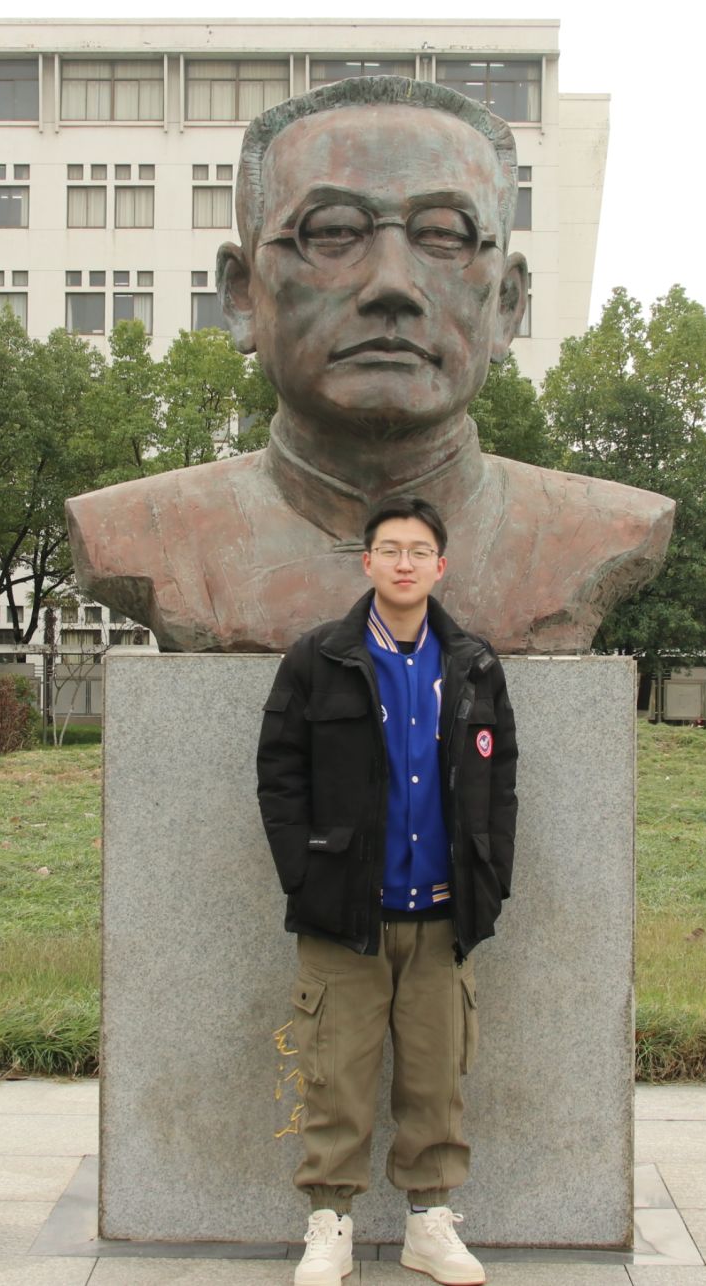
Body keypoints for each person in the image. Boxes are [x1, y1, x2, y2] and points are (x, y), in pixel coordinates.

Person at [65, 76, 673, 655]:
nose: (391, 285)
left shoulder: (598, 531)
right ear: (243, 294)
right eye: (332, 230)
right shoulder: (138, 532)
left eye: (443, 234)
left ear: (506, 305)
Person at [257, 495, 517, 1286]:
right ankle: (329, 1221)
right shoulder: (319, 658)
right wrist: (306, 874)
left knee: (436, 1081)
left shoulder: (472, 663)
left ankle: (429, 1220)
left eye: (419, 550)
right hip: (347, 916)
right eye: (391, 549)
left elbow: (501, 778)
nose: (405, 563)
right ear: (367, 561)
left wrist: (490, 876)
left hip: (442, 915)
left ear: (441, 565)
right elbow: (279, 772)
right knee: (334, 1077)